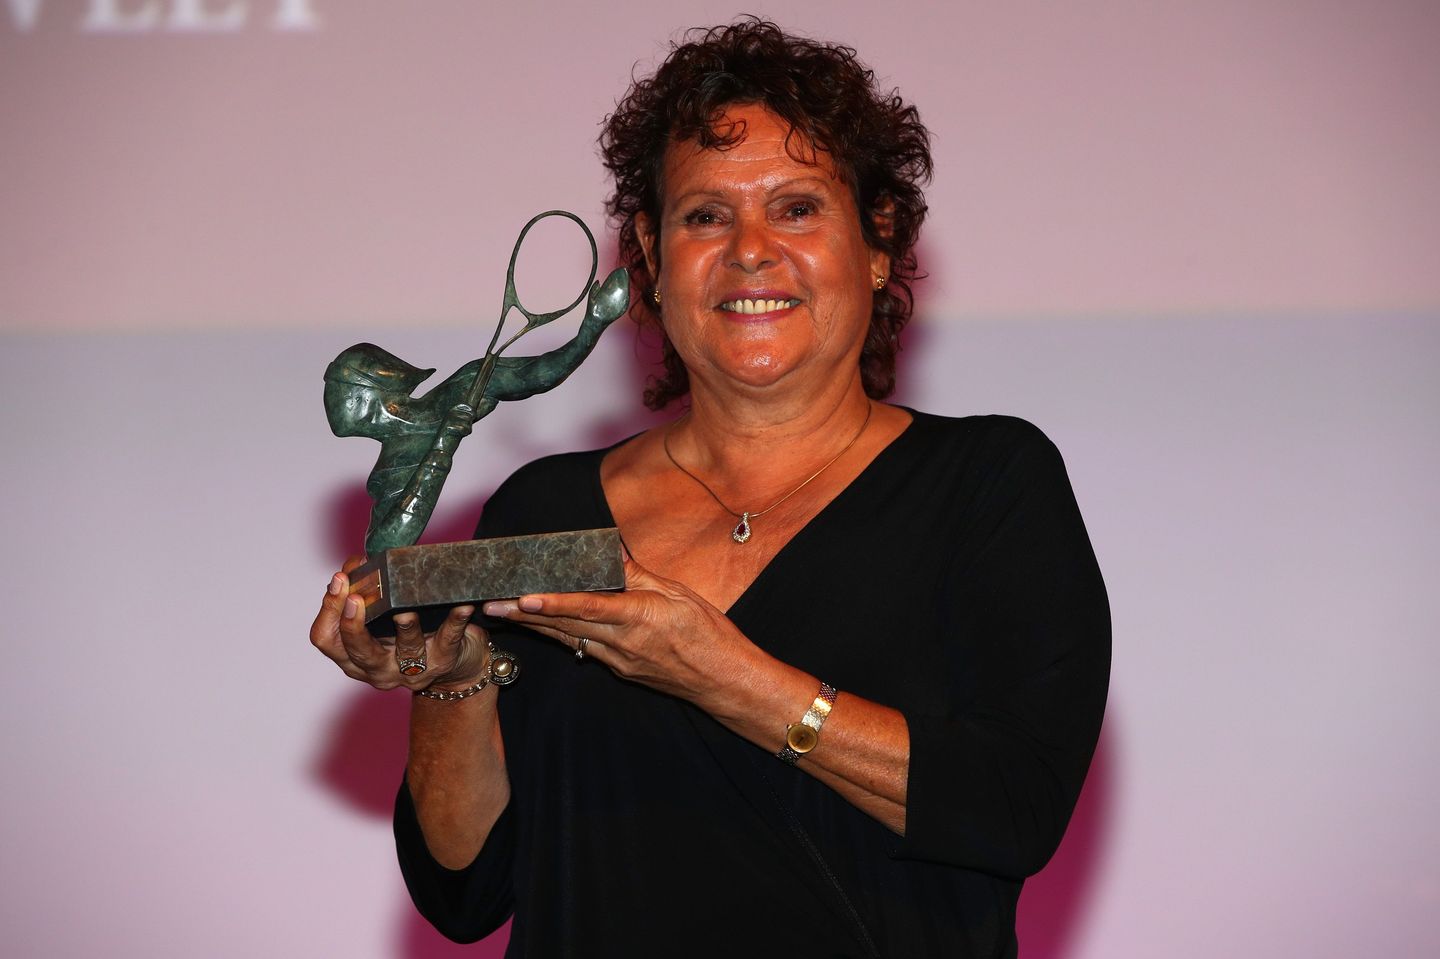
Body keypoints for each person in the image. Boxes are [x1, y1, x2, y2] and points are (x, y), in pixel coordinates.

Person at [311, 19, 1109, 958]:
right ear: (649, 255)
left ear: (879, 241)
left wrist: (718, 671)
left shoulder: (988, 486)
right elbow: (464, 886)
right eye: (704, 215)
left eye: (798, 207)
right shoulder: (542, 511)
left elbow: (1012, 808)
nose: (749, 250)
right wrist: (452, 683)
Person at [322, 265, 628, 555]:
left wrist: (592, 325)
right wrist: (442, 446)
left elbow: (535, 374)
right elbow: (384, 547)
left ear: (369, 393)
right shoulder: (390, 469)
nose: (330, 396)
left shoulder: (463, 386)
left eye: (337, 386)